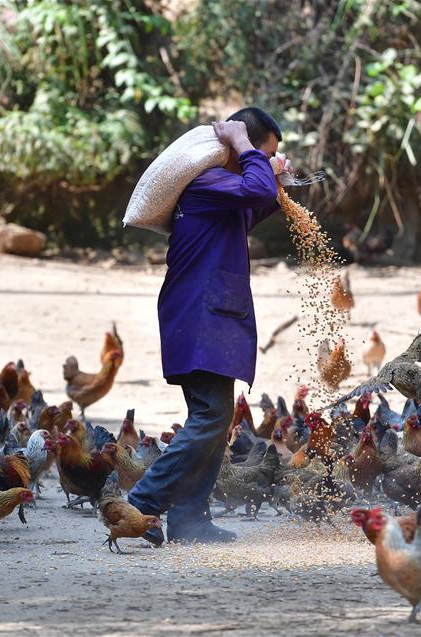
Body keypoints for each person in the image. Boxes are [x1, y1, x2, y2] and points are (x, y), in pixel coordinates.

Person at [128, 107, 284, 544]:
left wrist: (276, 187)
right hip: (199, 316)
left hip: (209, 314)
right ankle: (140, 503)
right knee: (211, 417)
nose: (266, 163)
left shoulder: (222, 191)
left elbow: (247, 210)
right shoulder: (207, 180)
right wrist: (246, 148)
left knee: (213, 420)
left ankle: (189, 518)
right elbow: (252, 188)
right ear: (236, 146)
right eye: (262, 153)